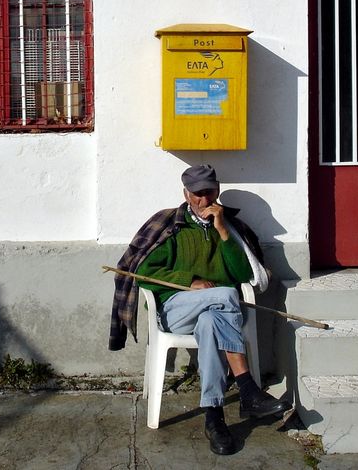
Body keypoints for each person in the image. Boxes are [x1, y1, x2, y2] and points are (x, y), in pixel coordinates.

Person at [108, 164, 291, 455]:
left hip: (218, 312)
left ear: (217, 191)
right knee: (226, 295)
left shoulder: (229, 227)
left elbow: (244, 273)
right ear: (186, 194)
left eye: (210, 193)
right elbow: (142, 270)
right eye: (197, 194)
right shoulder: (170, 224)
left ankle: (214, 418)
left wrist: (223, 231)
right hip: (175, 308)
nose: (205, 200)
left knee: (211, 320)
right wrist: (188, 281)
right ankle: (247, 387)